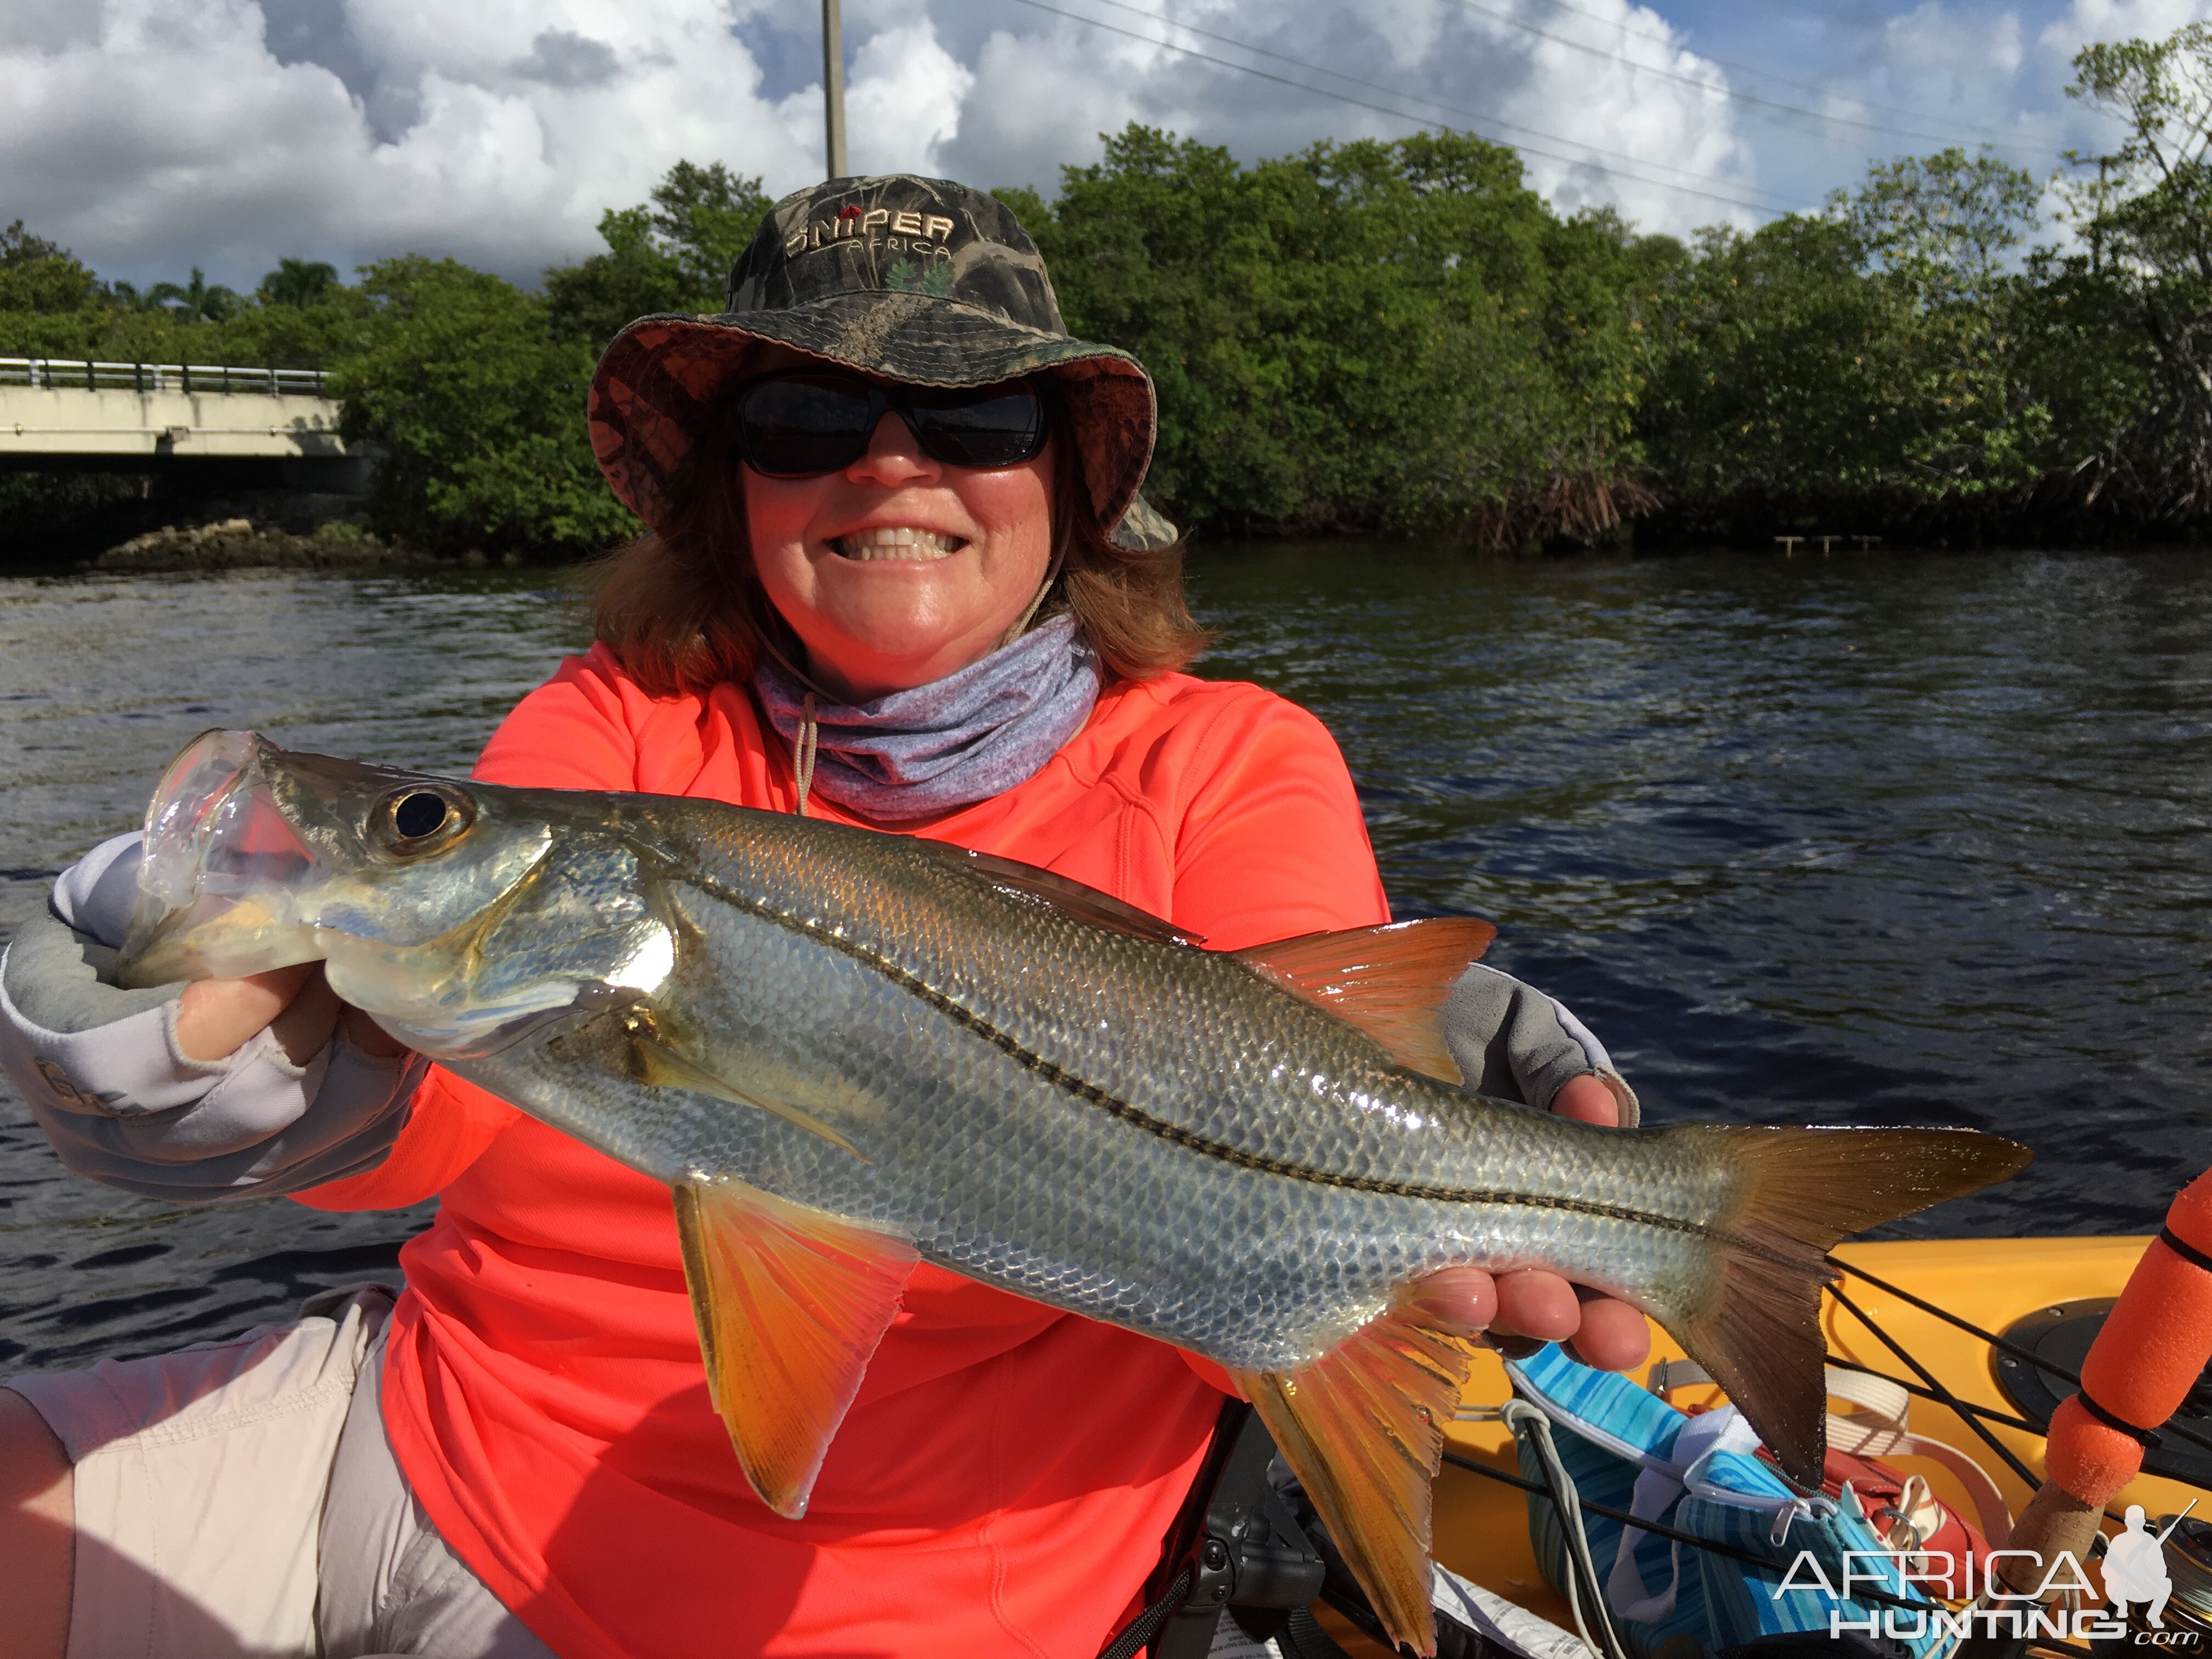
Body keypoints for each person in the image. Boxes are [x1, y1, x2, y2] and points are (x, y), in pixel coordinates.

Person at [0, 175, 1647, 1659]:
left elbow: (1280, 1164)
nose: (886, 464)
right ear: (736, 488)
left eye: (977, 419)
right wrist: (199, 1066)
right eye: (801, 416)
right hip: (423, 1426)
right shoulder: (613, 722)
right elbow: (408, 1126)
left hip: (883, 1598)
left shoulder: (1230, 758)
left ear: (1069, 481)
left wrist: (1424, 1163)